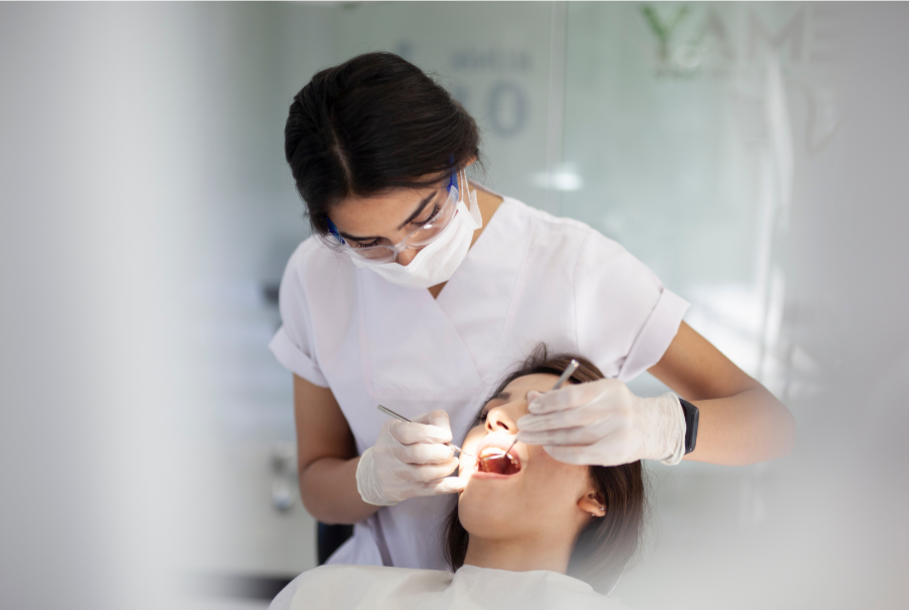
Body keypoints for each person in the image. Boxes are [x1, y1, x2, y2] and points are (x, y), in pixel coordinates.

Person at [271, 51, 796, 570]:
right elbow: (318, 486)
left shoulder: (578, 268)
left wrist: (657, 427)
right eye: (369, 243)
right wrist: (369, 479)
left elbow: (770, 424)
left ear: (464, 161)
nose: (407, 257)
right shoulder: (318, 276)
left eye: (425, 217)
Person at [268, 350, 644, 610]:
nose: (495, 417)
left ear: (597, 494)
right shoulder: (326, 598)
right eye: (484, 415)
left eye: (540, 414)